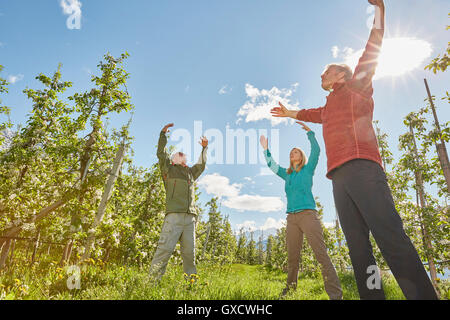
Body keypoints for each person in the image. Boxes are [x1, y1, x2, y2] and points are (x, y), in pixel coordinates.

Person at [270, 0, 438, 300]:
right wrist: (290, 113)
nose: (321, 75)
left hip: (363, 168)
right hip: (339, 179)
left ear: (342, 74)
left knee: (389, 236)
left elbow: (374, 45)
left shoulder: (359, 85)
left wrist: (380, 10)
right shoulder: (330, 104)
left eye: (326, 71)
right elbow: (312, 113)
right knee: (358, 247)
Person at [260, 121, 342, 300]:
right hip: (292, 218)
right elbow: (272, 166)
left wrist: (310, 133)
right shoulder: (286, 174)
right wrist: (266, 149)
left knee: (321, 254)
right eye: (291, 153)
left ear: (301, 156)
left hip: (308, 215)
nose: (292, 153)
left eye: (296, 151)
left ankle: (335, 295)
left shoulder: (308, 169)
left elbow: (317, 152)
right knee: (292, 257)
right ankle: (290, 290)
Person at [149, 123, 208, 281]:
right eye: (177, 153)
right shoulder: (168, 169)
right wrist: (163, 134)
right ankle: (150, 284)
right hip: (173, 217)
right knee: (164, 250)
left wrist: (204, 148)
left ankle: (191, 284)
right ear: (173, 159)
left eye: (183, 153)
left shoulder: (190, 173)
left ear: (185, 160)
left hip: (190, 219)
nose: (181, 153)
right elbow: (161, 153)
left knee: (190, 254)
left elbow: (201, 165)